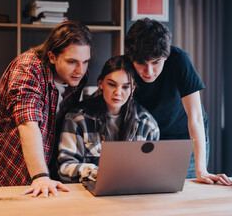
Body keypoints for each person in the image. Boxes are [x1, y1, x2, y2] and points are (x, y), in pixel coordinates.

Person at [0, 21, 93, 197]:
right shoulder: (28, 67)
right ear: (52, 57)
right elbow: (27, 123)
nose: (80, 70)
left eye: (85, 61)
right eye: (72, 61)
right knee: (8, 209)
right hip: (1, 153)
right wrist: (41, 175)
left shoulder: (78, 74)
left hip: (40, 149)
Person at [125, 18, 232, 186]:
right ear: (131, 57)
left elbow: (195, 117)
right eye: (141, 64)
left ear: (166, 57)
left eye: (156, 62)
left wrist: (201, 169)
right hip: (149, 136)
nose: (149, 72)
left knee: (187, 190)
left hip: (186, 136)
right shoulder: (124, 65)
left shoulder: (180, 60)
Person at [57, 55, 160, 183]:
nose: (118, 92)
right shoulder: (78, 118)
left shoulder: (148, 124)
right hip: (90, 196)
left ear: (132, 89)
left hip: (132, 196)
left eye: (125, 87)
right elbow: (65, 169)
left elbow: (151, 172)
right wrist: (97, 173)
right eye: (112, 85)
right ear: (101, 84)